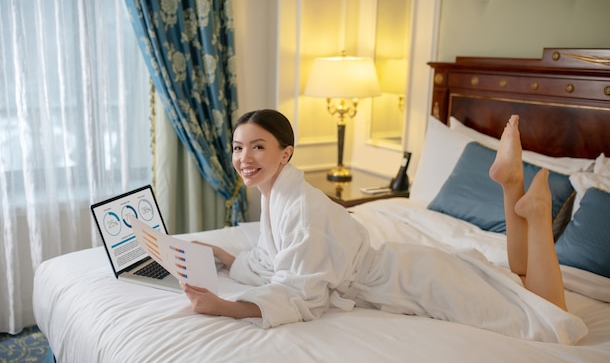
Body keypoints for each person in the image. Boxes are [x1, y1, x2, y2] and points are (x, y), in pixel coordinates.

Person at [180, 110, 587, 344]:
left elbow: (301, 293)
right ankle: (511, 184)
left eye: (257, 146)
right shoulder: (277, 195)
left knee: (549, 319)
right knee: (516, 282)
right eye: (237, 147)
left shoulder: (301, 206)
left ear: (285, 154)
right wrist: (224, 257)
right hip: (406, 268)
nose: (243, 157)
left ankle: (535, 212)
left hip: (414, 280)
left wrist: (227, 308)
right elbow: (276, 260)